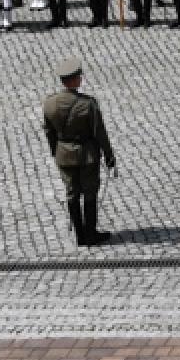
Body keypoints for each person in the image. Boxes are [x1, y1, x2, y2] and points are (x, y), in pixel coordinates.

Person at [42, 57, 116, 247]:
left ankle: (80, 236)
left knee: (72, 193)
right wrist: (109, 155)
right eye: (79, 76)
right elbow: (99, 132)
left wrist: (56, 151)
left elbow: (49, 131)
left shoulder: (49, 103)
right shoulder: (88, 104)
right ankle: (90, 233)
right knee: (90, 192)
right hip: (87, 155)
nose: (81, 79)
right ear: (74, 80)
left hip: (63, 154)